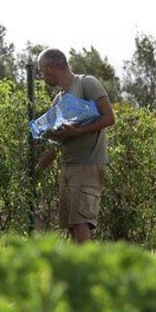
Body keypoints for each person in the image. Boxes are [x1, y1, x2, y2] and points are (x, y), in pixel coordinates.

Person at [35, 48, 115, 243]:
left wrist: (77, 131)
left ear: (50, 67)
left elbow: (110, 117)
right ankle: (78, 269)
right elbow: (56, 144)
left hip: (88, 165)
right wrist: (37, 170)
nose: (42, 76)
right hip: (68, 166)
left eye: (42, 71)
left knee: (81, 223)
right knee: (71, 226)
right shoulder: (58, 101)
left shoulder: (86, 83)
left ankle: (88, 272)